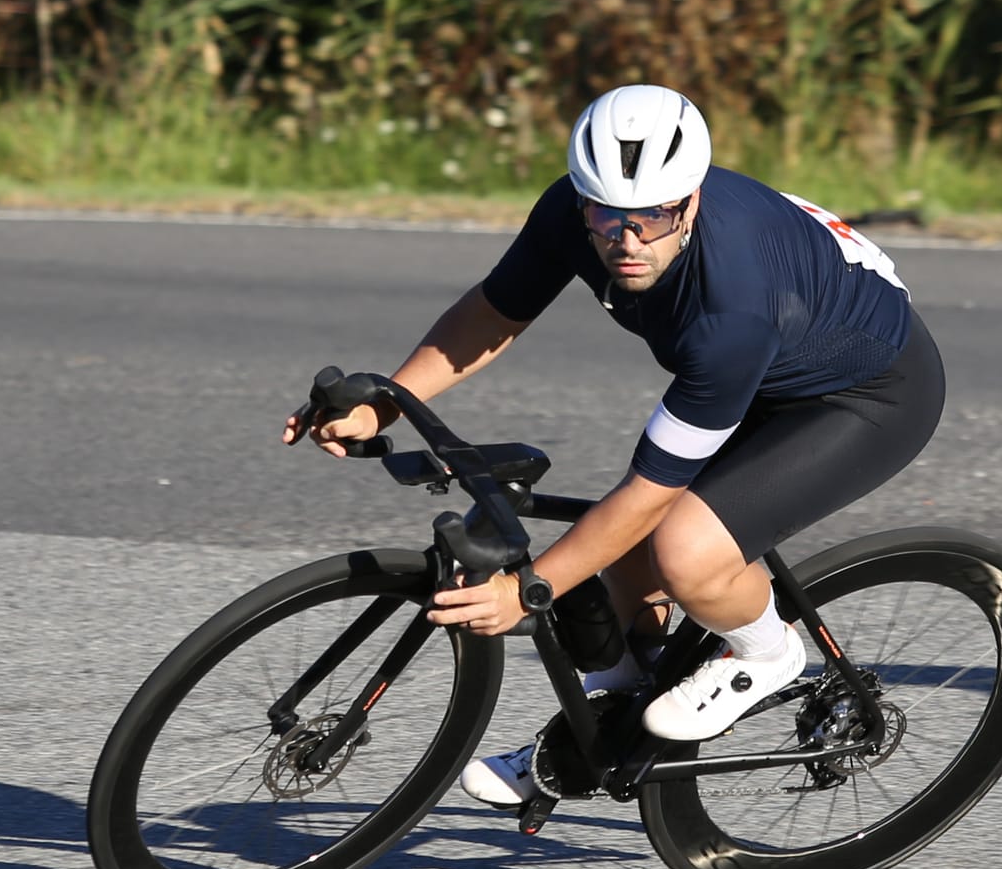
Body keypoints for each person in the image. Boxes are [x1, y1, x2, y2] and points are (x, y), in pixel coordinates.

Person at [282, 83, 944, 806]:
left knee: (683, 550)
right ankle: (608, 722)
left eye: (654, 216)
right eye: (607, 215)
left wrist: (524, 592)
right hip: (770, 364)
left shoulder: (731, 308)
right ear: (582, 196)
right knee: (623, 561)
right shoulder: (573, 211)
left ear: (689, 200)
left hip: (869, 393)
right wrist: (387, 403)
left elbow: (647, 494)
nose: (627, 241)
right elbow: (496, 312)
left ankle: (767, 648)